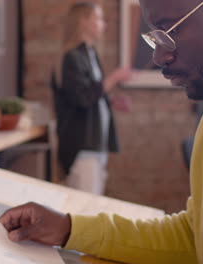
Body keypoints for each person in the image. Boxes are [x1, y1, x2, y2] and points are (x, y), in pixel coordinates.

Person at [0, 0, 203, 263]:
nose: (158, 56)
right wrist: (68, 228)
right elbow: (196, 239)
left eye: (172, 30)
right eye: (156, 37)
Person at [51, 2, 132, 194]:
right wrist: (113, 78)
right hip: (81, 146)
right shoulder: (72, 57)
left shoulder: (90, 53)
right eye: (98, 18)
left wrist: (110, 100)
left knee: (93, 202)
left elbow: (91, 93)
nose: (103, 24)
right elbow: (80, 97)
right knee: (85, 206)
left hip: (95, 143)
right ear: (83, 22)